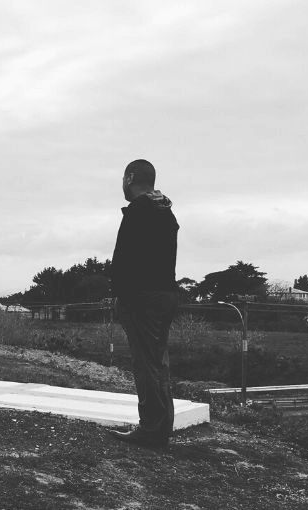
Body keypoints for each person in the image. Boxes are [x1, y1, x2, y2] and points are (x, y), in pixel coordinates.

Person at [109, 159, 179, 448]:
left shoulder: (140, 212)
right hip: (164, 295)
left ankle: (151, 428)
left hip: (142, 299)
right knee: (157, 362)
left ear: (130, 178)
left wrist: (121, 294)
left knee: (145, 364)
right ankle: (161, 426)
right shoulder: (165, 212)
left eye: (124, 178)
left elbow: (129, 260)